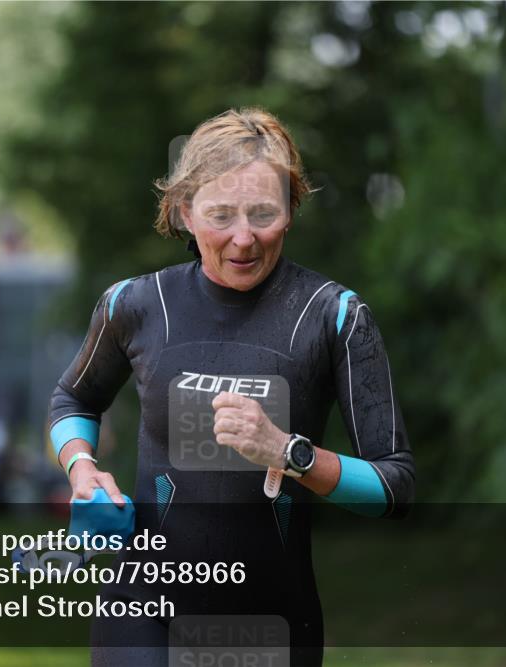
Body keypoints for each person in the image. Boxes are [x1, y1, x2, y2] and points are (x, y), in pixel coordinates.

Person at [48, 107, 415, 666]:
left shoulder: (334, 315)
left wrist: (288, 453)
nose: (243, 239)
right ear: (183, 212)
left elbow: (394, 487)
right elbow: (74, 398)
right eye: (221, 216)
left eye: (263, 214)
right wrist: (82, 468)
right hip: (142, 609)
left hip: (270, 618)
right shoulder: (136, 304)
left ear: (291, 210)